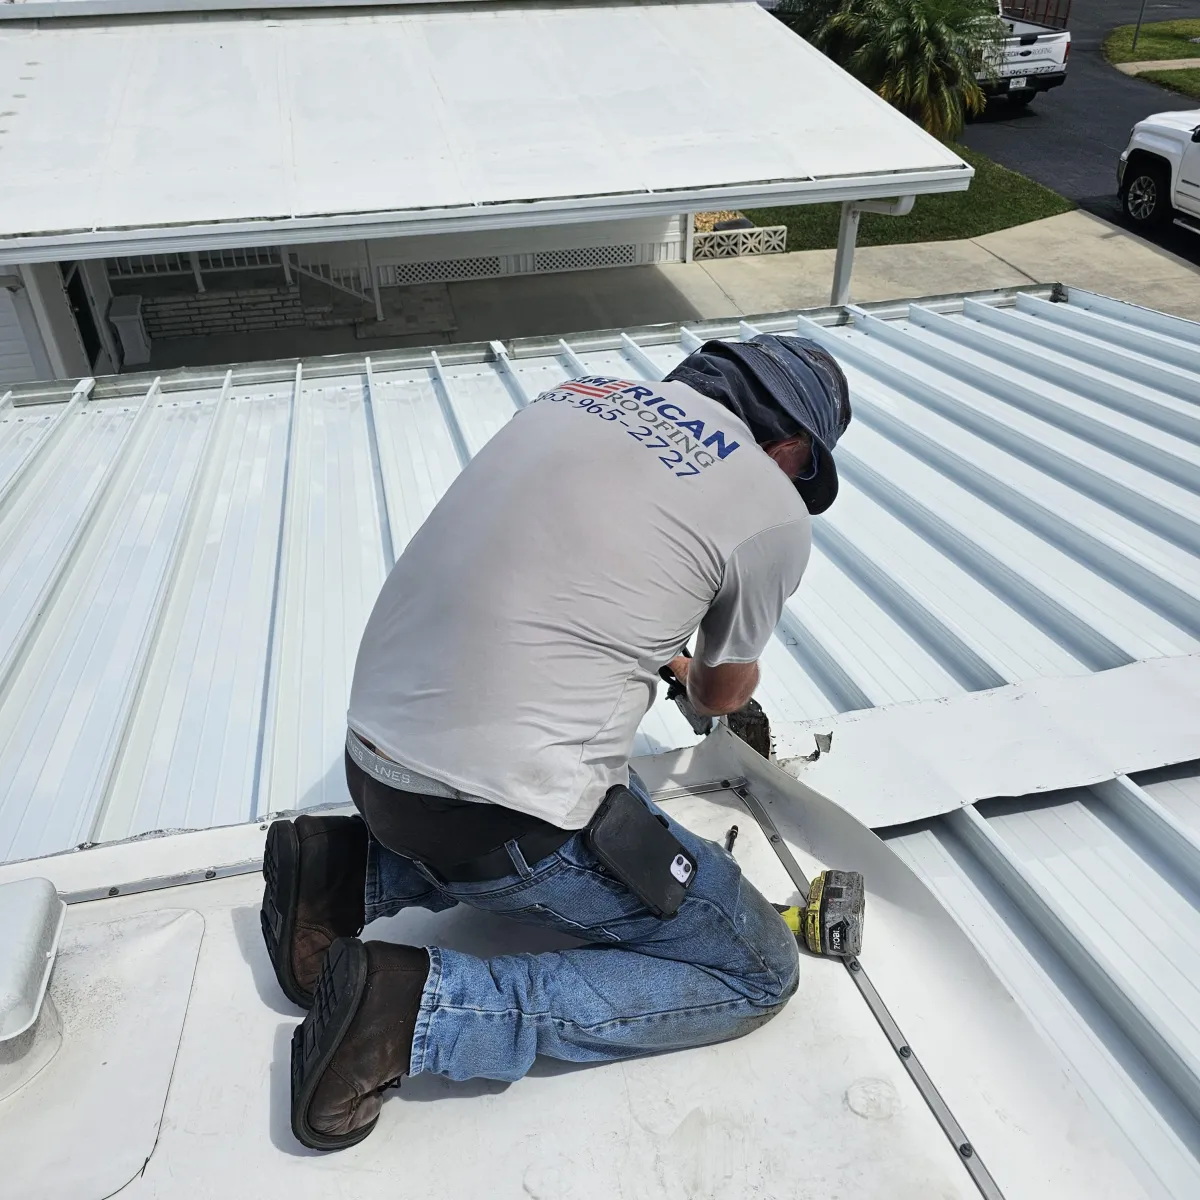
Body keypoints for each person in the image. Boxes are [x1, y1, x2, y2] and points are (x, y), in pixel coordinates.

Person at [260, 334, 852, 1151]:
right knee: (753, 969)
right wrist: (702, 674)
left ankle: (343, 874)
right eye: (798, 470)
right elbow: (719, 694)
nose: (790, 483)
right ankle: (412, 1009)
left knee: (566, 789)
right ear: (788, 447)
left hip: (372, 765)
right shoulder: (771, 509)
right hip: (489, 817)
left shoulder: (576, 397)